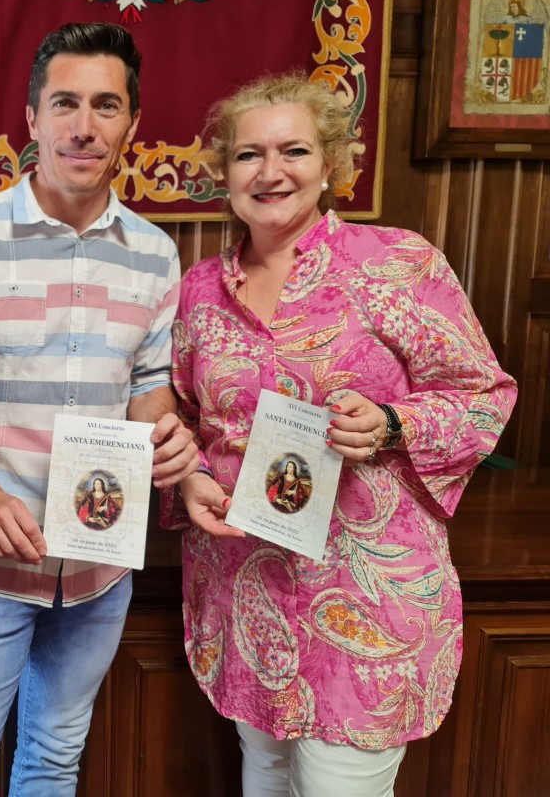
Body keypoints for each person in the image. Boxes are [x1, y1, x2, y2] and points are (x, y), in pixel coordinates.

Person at [168, 72, 517, 797]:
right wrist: (192, 472)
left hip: (364, 596)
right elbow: (182, 415)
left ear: (331, 163)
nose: (269, 172)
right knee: (262, 778)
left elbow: (483, 394)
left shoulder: (397, 263)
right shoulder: (200, 288)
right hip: (241, 584)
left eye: (292, 150)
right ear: (222, 172)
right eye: (246, 155)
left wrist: (394, 423)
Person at [0, 22, 199, 796]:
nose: (84, 125)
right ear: (32, 118)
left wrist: (164, 436)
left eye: (106, 106)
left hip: (99, 573)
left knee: (52, 765)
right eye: (65, 103)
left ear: (131, 126)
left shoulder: (154, 252)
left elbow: (148, 386)